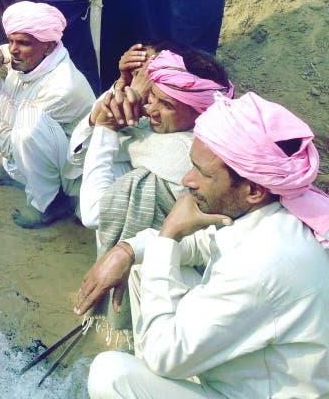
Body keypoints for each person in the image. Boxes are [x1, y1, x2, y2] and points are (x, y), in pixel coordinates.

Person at [78, 92, 329, 398]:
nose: (187, 180)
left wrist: (168, 235)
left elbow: (163, 356)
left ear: (253, 190)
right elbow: (204, 243)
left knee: (111, 375)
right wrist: (126, 250)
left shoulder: (263, 263)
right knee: (145, 265)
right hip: (242, 370)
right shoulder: (270, 212)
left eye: (203, 173)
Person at [70, 48, 232, 339]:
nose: (149, 109)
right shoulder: (161, 128)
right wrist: (120, 91)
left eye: (166, 104)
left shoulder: (187, 151)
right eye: (151, 96)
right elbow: (78, 156)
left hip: (197, 279)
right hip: (169, 250)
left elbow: (93, 213)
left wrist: (106, 123)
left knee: (120, 175)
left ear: (201, 113)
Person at [0, 1, 95, 228]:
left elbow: (13, 145)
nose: (13, 49)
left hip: (69, 169)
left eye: (23, 43)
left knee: (25, 126)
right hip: (28, 145)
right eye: (11, 41)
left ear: (48, 46)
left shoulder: (63, 86)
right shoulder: (25, 53)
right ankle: (12, 171)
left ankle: (49, 203)